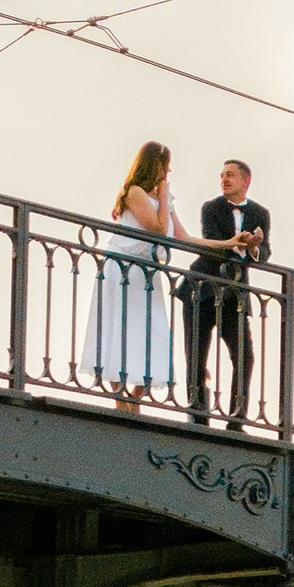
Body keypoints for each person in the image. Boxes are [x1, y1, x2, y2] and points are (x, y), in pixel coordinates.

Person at [84, 141, 183, 407]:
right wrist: (163, 197)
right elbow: (158, 230)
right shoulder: (134, 192)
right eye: (165, 167)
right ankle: (120, 400)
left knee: (152, 332)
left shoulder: (164, 201)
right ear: (155, 166)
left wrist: (231, 243)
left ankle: (135, 400)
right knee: (119, 326)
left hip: (147, 273)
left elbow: (183, 236)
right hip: (124, 267)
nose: (168, 173)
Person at [182, 155, 271, 425]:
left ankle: (237, 418)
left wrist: (254, 247)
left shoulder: (260, 213)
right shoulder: (210, 207)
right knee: (197, 353)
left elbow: (265, 253)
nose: (224, 180)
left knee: (244, 355)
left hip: (234, 295)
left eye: (230, 175)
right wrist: (238, 243)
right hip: (201, 288)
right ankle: (198, 414)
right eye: (222, 175)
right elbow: (209, 239)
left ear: (246, 180)